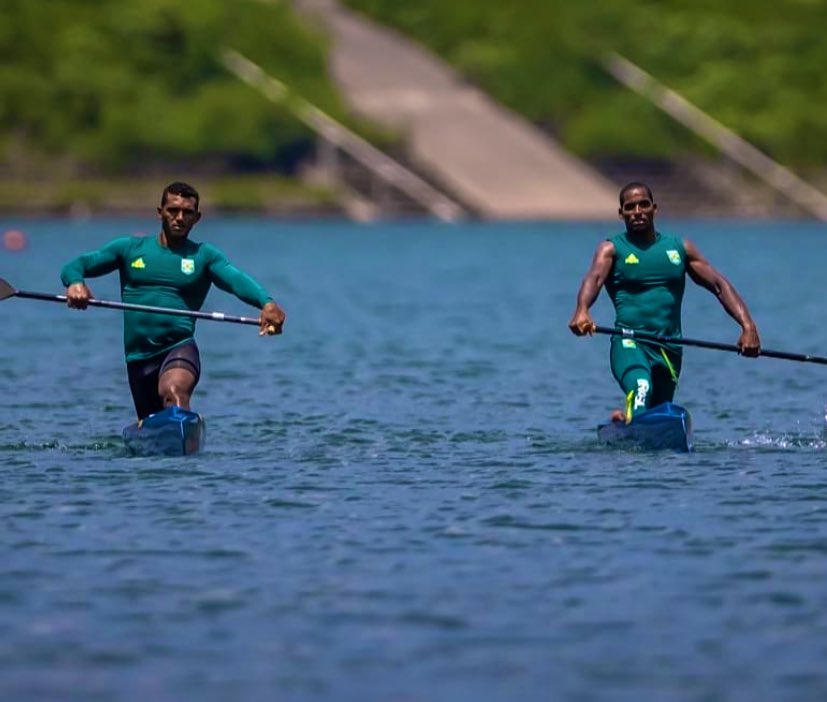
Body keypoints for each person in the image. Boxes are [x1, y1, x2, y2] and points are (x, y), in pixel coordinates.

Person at [60, 181, 286, 420]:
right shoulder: (128, 249)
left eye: (187, 212)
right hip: (137, 359)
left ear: (197, 218)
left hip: (178, 348)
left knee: (174, 390)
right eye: (173, 210)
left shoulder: (204, 256)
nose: (179, 218)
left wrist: (267, 303)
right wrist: (75, 283)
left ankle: (181, 426)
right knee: (149, 420)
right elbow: (76, 266)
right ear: (160, 212)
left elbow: (236, 280)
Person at [568, 181, 760, 423]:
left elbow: (718, 285)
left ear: (654, 208)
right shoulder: (611, 249)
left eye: (643, 205)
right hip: (630, 341)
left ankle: (626, 419)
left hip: (670, 348)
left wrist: (748, 327)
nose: (637, 211)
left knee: (657, 412)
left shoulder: (680, 248)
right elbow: (594, 279)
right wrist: (582, 310)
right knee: (641, 386)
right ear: (621, 213)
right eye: (630, 207)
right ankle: (633, 418)